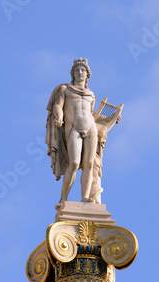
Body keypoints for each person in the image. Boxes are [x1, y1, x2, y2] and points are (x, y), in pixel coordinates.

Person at [46, 58, 98, 208]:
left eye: (83, 70)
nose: (80, 72)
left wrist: (111, 118)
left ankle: (86, 198)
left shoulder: (91, 94)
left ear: (87, 75)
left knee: (89, 163)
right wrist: (59, 115)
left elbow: (92, 114)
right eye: (77, 70)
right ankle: (63, 199)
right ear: (73, 73)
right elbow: (57, 105)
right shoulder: (65, 89)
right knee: (74, 163)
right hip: (73, 127)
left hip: (90, 128)